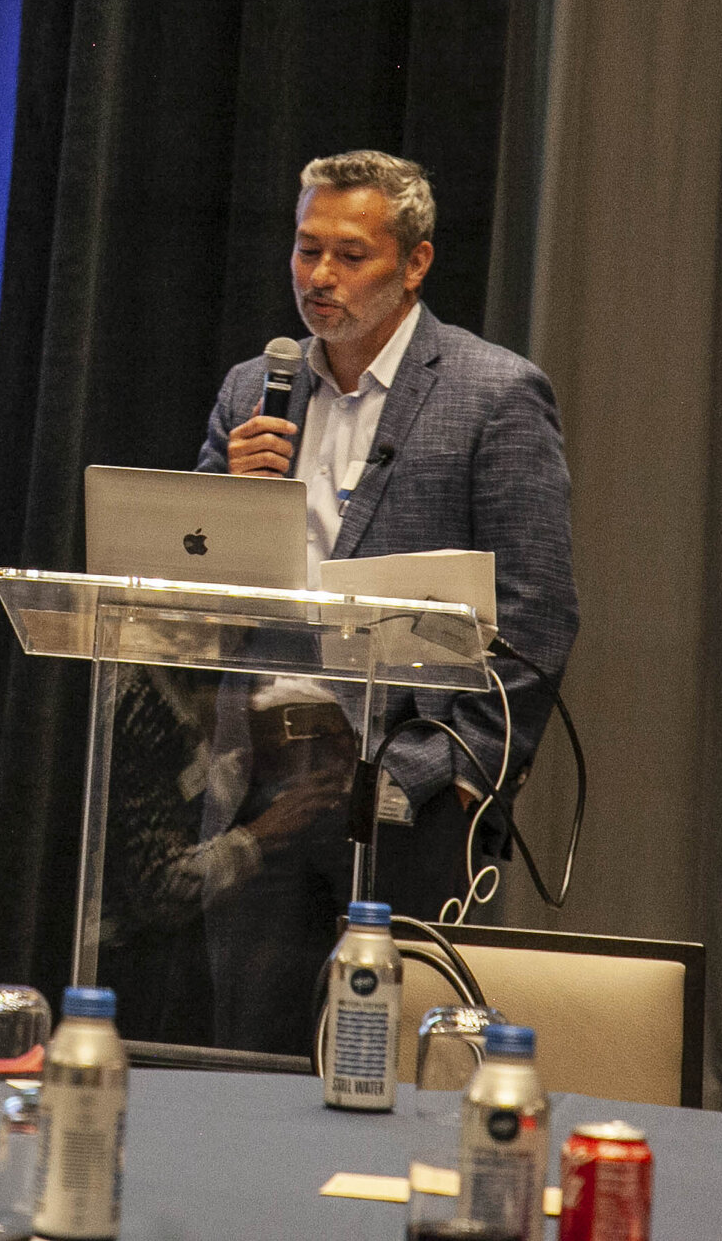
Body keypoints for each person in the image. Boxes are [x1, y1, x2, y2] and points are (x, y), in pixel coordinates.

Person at [191, 150, 578, 1051]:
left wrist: (462, 775)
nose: (320, 275)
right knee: (250, 1063)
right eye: (307, 248)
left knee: (389, 1064)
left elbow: (539, 610)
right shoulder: (253, 390)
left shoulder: (494, 394)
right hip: (261, 783)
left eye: (350, 254)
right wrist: (229, 503)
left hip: (408, 789)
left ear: (415, 263)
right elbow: (192, 594)